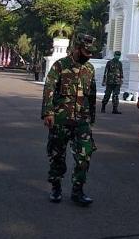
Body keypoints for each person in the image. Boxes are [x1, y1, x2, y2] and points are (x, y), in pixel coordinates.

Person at [41, 33, 97, 206]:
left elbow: (92, 95)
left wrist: (91, 118)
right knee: (57, 155)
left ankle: (78, 190)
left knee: (85, 154)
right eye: (86, 51)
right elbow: (49, 87)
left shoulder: (89, 69)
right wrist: (48, 112)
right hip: (61, 119)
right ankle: (56, 187)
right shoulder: (60, 66)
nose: (89, 55)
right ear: (76, 48)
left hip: (82, 120)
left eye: (90, 52)